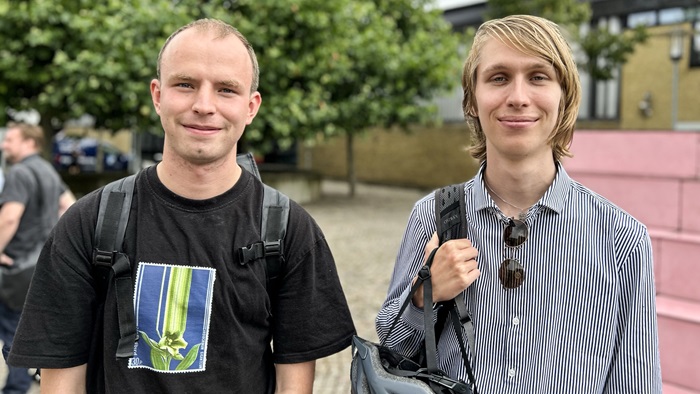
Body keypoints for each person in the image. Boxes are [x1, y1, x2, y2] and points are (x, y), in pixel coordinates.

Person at [8, 18, 355, 393]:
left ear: (251, 106)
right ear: (157, 95)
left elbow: (294, 384)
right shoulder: (87, 222)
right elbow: (62, 383)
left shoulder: (289, 230)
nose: (204, 105)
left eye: (226, 89)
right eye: (185, 84)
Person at [376, 14, 662, 393]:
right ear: (473, 99)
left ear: (565, 96)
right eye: (498, 78)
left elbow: (635, 385)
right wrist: (424, 293)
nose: (518, 97)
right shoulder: (431, 215)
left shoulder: (622, 240)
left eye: (538, 77)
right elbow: (392, 352)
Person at [0, 122, 76, 394]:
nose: (3, 145)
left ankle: (15, 388)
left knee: (13, 334)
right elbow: (69, 206)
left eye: (10, 139)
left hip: (16, 267)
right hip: (41, 265)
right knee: (26, 329)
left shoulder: (20, 172)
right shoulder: (47, 170)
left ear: (29, 142)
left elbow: (9, 218)